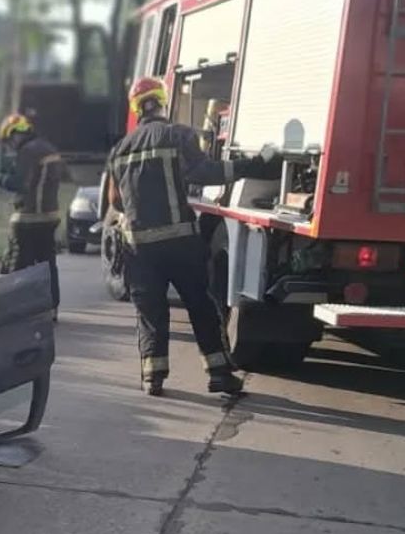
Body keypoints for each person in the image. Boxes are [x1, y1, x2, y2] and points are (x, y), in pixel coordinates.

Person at [106, 76, 278, 398]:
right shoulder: (178, 135)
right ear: (162, 101)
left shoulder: (119, 150)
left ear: (136, 108)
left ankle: (152, 378)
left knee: (151, 313)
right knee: (201, 306)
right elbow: (207, 172)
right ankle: (219, 374)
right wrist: (253, 165)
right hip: (180, 244)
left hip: (139, 249)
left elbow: (114, 201)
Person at [0, 111, 62, 313]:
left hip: (27, 218)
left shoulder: (27, 151)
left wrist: (0, 179)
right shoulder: (49, 148)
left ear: (15, 134)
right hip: (50, 216)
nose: (10, 147)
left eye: (9, 141)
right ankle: (50, 308)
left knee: (18, 265)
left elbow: (20, 183)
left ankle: (13, 309)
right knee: (47, 264)